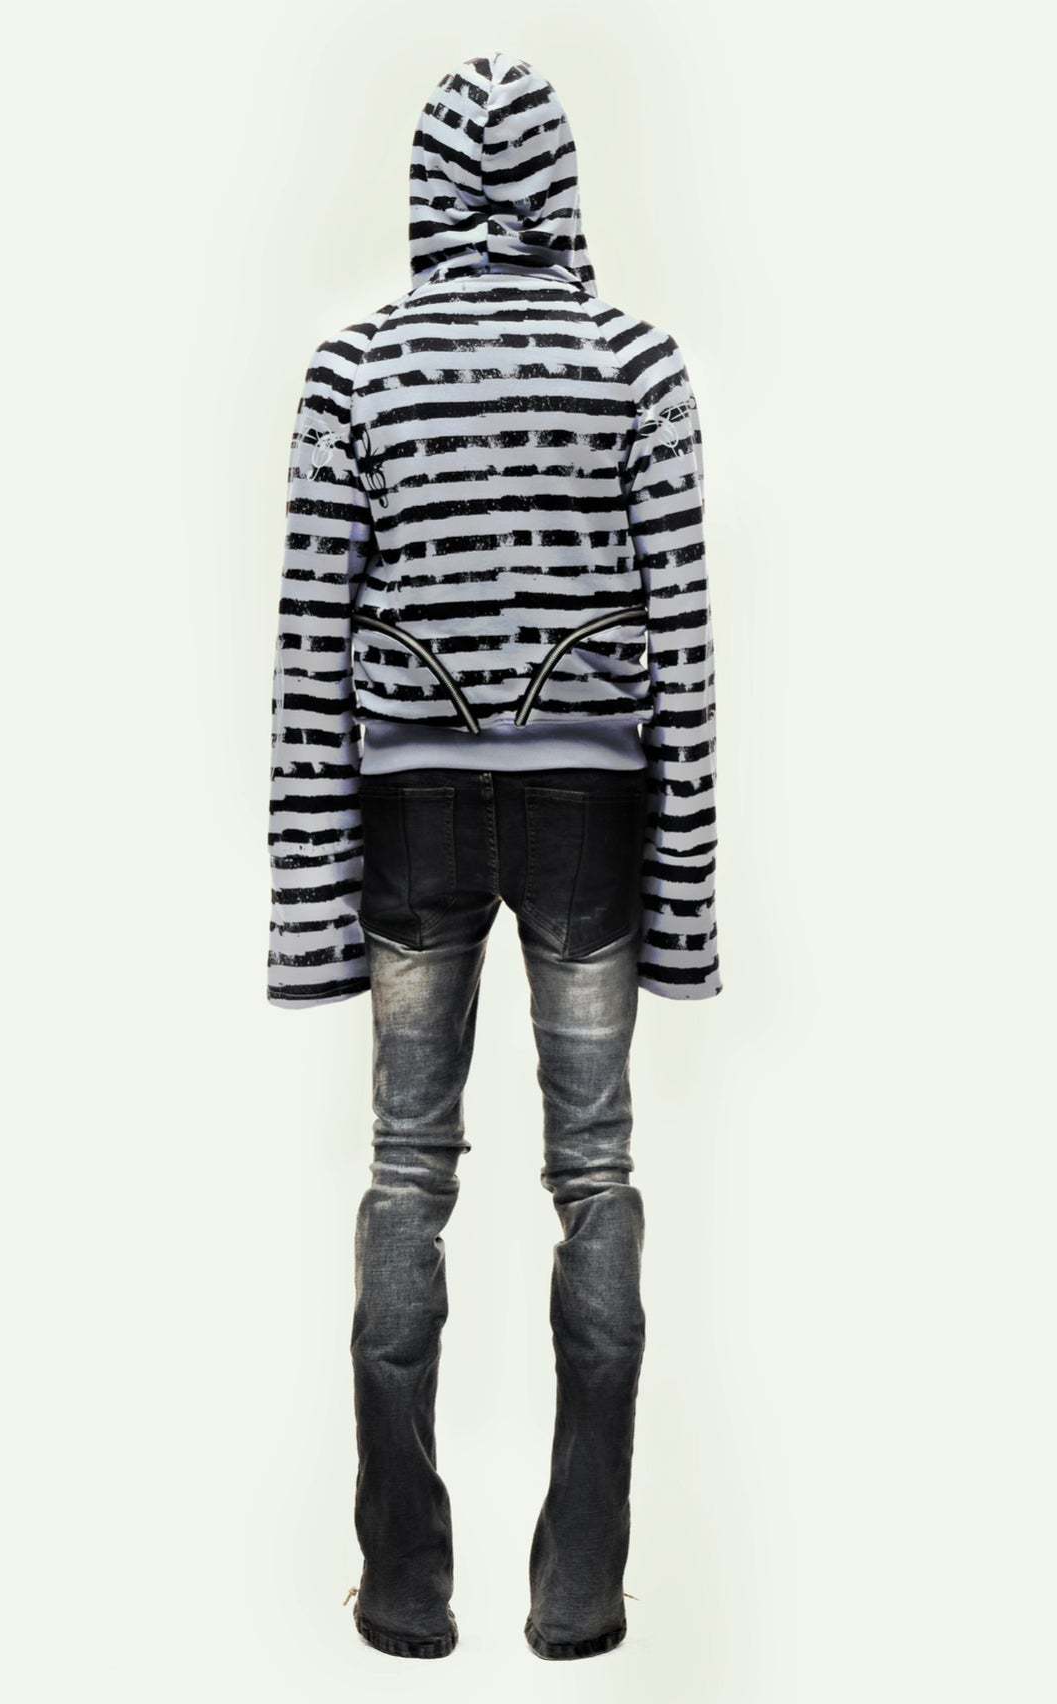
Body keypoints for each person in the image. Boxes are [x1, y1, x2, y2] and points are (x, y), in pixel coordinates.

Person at [267, 50, 721, 1661]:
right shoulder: (633, 362)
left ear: (430, 190)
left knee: (408, 1175)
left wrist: (309, 920)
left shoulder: (354, 370)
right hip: (592, 810)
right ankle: (578, 1590)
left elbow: (309, 648)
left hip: (410, 814)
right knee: (593, 1176)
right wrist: (686, 908)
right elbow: (683, 646)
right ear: (556, 186)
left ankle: (403, 1588)